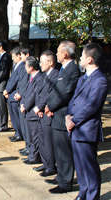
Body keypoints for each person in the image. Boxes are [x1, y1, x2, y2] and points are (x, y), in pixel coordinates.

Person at [66, 43, 108, 200]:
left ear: (90, 59)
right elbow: (74, 99)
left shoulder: (100, 80)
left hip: (87, 129)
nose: (80, 58)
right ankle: (82, 194)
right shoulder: (84, 78)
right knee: (80, 166)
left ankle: (92, 196)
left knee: (89, 167)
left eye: (82, 56)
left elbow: (91, 106)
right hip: (76, 128)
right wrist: (68, 116)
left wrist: (73, 120)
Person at [45, 41, 81, 194]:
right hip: (56, 114)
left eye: (59, 51)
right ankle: (61, 176)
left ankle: (66, 182)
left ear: (65, 54)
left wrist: (50, 107)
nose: (57, 54)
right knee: (59, 150)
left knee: (64, 151)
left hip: (62, 114)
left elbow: (65, 93)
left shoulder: (72, 70)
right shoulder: (64, 69)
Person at [33, 50, 59, 176]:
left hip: (47, 112)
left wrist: (41, 107)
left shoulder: (55, 75)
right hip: (41, 112)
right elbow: (39, 93)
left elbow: (49, 94)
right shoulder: (46, 75)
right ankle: (45, 163)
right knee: (42, 139)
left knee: (48, 141)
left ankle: (50, 166)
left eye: (43, 62)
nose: (40, 64)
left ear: (50, 62)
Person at [20, 56, 43, 165]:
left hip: (33, 111)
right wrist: (23, 103)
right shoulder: (32, 77)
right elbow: (27, 92)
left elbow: (34, 95)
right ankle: (32, 155)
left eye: (26, 65)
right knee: (31, 135)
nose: (25, 67)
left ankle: (34, 157)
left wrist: (26, 105)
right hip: (28, 109)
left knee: (35, 136)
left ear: (32, 67)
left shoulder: (39, 78)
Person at [15, 45, 33, 156]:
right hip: (21, 97)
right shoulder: (23, 66)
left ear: (27, 55)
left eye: (22, 54)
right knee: (23, 124)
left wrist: (21, 94)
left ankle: (30, 146)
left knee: (27, 126)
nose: (20, 56)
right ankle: (27, 145)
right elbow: (20, 82)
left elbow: (28, 84)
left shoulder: (31, 66)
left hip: (26, 98)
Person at [3, 46, 24, 142]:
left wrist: (7, 90)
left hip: (15, 93)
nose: (12, 58)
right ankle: (17, 132)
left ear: (19, 56)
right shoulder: (16, 66)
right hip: (11, 94)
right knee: (13, 116)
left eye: (14, 56)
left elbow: (15, 81)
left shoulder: (22, 66)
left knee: (16, 116)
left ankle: (19, 134)